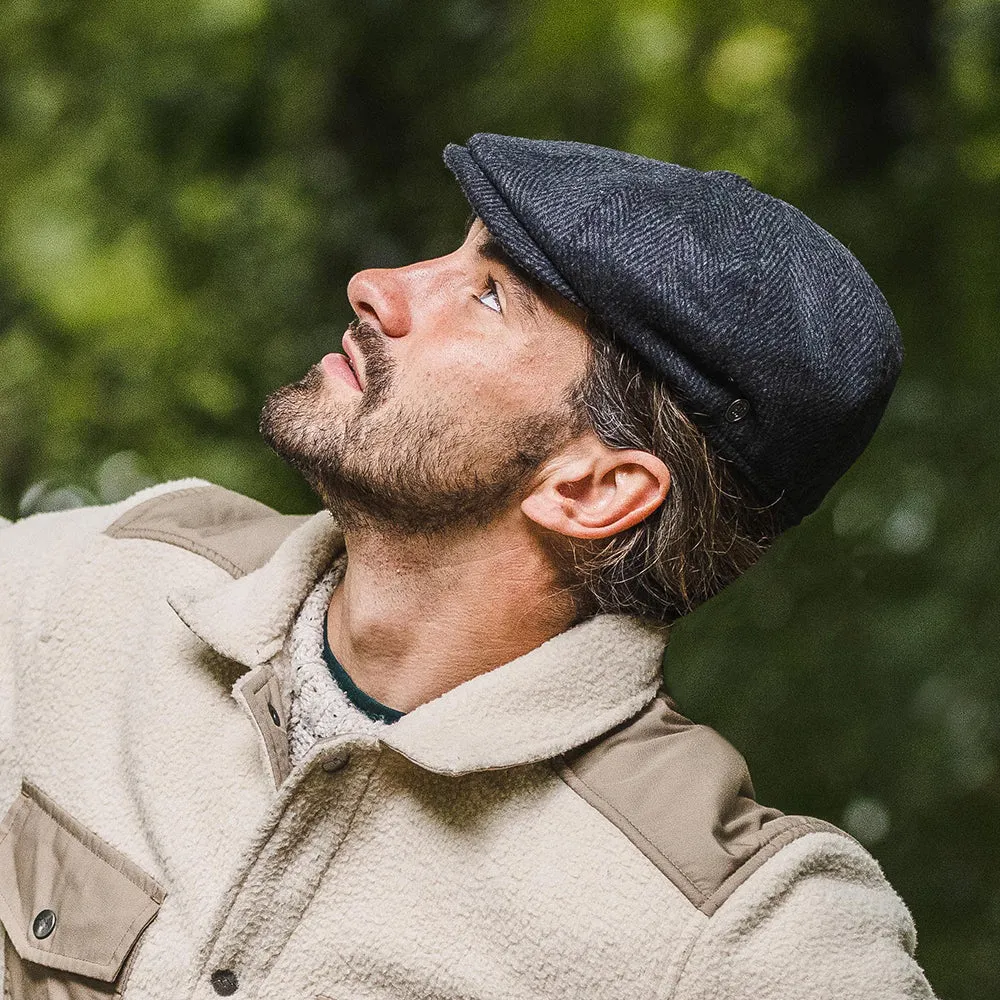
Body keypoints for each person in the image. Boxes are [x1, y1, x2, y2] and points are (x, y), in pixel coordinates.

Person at [0, 134, 937, 1000]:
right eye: (453, 255)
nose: (377, 287)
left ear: (594, 490)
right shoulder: (106, 579)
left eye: (489, 294)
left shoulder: (742, 933)